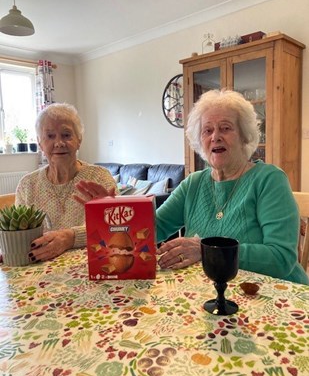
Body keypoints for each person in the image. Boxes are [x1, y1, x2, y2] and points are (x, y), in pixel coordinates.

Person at [75, 90, 308, 285]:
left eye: (225, 128)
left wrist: (205, 250)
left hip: (274, 295)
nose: (215, 137)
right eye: (207, 130)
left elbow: (281, 258)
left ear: (245, 136)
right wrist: (115, 215)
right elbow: (152, 230)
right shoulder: (194, 183)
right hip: (207, 293)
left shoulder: (269, 180)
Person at [15, 103, 116, 262]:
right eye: (50, 136)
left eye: (66, 135)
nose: (59, 142)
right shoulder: (27, 185)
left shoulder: (100, 178)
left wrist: (71, 237)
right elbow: (19, 234)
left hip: (92, 265)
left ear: (79, 140)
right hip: (39, 270)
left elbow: (116, 230)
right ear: (40, 143)